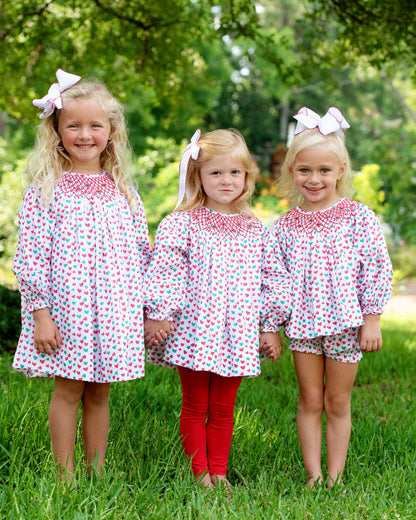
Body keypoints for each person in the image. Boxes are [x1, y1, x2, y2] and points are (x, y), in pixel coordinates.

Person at [12, 69, 152, 485]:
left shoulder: (123, 191)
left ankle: (98, 470)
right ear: (57, 129)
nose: (85, 134)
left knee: (100, 391)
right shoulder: (46, 189)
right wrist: (41, 313)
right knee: (70, 389)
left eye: (95, 125)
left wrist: (146, 310)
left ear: (111, 131)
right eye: (74, 125)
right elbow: (30, 257)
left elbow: (142, 255)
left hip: (113, 310)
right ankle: (65, 475)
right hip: (66, 311)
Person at [143, 129, 291, 490]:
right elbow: (166, 269)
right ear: (199, 176)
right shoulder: (182, 223)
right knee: (195, 403)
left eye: (234, 173)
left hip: (237, 332)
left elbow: (272, 278)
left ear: (247, 177)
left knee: (225, 407)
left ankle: (220, 472)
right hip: (194, 329)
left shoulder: (256, 229)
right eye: (216, 173)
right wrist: (159, 313)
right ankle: (200, 475)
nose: (226, 180)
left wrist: (269, 326)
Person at [272, 106, 393, 488]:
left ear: (340, 170)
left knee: (337, 401)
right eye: (305, 170)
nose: (314, 178)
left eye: (324, 170)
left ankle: (335, 476)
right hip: (304, 326)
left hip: (346, 324)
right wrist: (271, 325)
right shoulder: (284, 226)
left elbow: (376, 267)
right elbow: (274, 278)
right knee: (310, 399)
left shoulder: (359, 218)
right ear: (293, 171)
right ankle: (313, 473)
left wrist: (372, 317)